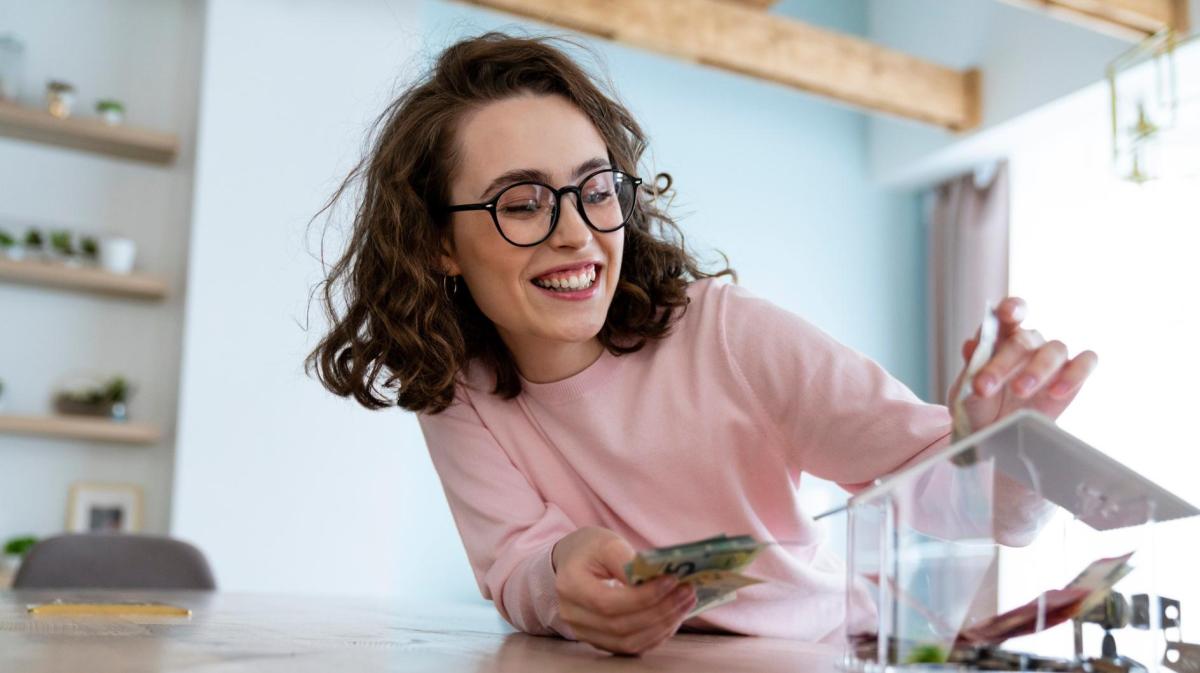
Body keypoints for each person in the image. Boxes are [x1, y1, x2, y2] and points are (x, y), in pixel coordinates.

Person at [306, 32, 1097, 656]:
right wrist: (562, 580)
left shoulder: (728, 334)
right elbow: (513, 563)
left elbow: (964, 501)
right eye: (521, 203)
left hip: (820, 654)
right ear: (438, 242)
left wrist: (1008, 451)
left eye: (595, 189)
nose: (577, 233)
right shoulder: (456, 386)